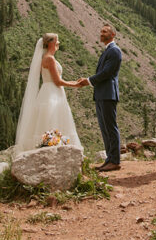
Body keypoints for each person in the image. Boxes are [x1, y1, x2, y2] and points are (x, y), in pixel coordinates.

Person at [14, 33, 82, 154]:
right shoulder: (49, 59)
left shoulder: (45, 58)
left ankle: (51, 146)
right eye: (57, 40)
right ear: (51, 43)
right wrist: (76, 85)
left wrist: (75, 82)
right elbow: (57, 81)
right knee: (53, 119)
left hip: (48, 91)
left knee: (47, 120)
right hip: (52, 93)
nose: (59, 43)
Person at [77, 24, 122, 171]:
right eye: (101, 31)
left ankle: (115, 160)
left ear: (113, 34)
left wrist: (88, 81)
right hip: (102, 94)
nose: (101, 33)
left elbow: (107, 73)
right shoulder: (108, 50)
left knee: (110, 127)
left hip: (108, 94)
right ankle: (109, 159)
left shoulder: (114, 51)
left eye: (105, 31)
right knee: (104, 128)